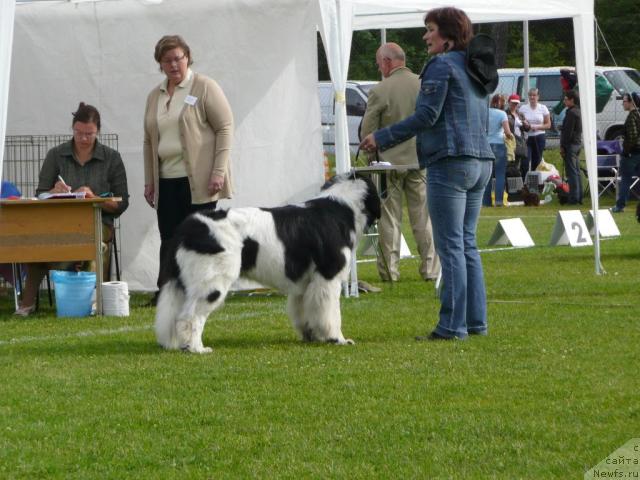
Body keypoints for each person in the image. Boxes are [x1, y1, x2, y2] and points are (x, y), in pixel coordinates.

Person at [360, 7, 496, 340]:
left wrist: (382, 137)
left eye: (430, 29)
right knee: (467, 245)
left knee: (450, 246)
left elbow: (427, 116)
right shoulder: (475, 66)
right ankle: (475, 322)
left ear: (447, 34)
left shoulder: (441, 65)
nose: (425, 36)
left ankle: (451, 326)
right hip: (481, 161)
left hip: (451, 161)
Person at [15, 103, 129, 316]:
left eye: (89, 134)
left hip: (99, 223)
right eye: (78, 133)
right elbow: (40, 192)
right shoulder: (56, 155)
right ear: (72, 129)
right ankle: (27, 303)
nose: (84, 138)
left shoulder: (111, 158)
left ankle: (94, 301)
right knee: (36, 242)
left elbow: (122, 204)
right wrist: (54, 190)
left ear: (98, 131)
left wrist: (94, 198)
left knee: (94, 242)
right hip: (60, 223)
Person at [143, 35, 234, 302]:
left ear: (188, 58)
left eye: (178, 58)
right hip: (166, 179)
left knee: (197, 239)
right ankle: (167, 292)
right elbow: (149, 139)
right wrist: (150, 181)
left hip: (200, 182)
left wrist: (219, 171)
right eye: (167, 60)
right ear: (160, 64)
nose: (173, 65)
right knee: (169, 239)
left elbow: (225, 128)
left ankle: (202, 291)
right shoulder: (154, 95)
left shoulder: (204, 86)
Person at [360, 42, 440, 282]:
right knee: (423, 218)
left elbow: (368, 130)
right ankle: (430, 269)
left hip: (389, 165)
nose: (379, 68)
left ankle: (390, 272)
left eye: (378, 64)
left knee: (389, 219)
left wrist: (370, 158)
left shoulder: (380, 90)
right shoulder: (424, 84)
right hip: (421, 162)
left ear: (387, 62)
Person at [611, 92, 640, 213]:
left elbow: (633, 136)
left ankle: (620, 206)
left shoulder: (632, 117)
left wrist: (626, 150)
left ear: (630, 102)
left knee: (625, 180)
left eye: (624, 101)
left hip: (632, 154)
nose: (623, 103)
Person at [483, 94, 513, 207]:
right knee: (500, 174)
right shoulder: (502, 114)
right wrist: (511, 138)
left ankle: (486, 202)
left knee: (487, 175)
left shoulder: (485, 112)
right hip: (499, 144)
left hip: (486, 145)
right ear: (501, 103)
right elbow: (507, 132)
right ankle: (499, 201)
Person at [518, 88, 551, 180]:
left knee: (536, 162)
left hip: (539, 137)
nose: (532, 97)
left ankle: (534, 185)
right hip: (527, 138)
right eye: (530, 95)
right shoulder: (523, 108)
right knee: (525, 161)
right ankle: (523, 183)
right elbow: (519, 122)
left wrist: (534, 127)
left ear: (538, 97)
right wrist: (524, 125)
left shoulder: (543, 108)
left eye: (534, 95)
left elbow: (548, 125)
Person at [559, 90, 583, 205]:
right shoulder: (578, 111)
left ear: (572, 100)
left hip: (571, 145)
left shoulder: (571, 113)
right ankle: (579, 196)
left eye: (566, 99)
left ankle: (573, 198)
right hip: (577, 144)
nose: (564, 101)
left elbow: (568, 132)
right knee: (577, 172)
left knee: (572, 172)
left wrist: (563, 146)